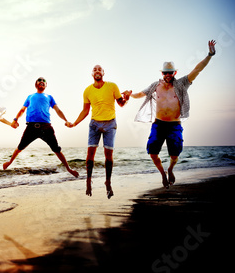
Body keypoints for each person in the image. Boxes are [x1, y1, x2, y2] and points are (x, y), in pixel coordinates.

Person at [130, 40, 216, 188]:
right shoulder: (155, 85)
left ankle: (170, 169)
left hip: (174, 125)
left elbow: (197, 70)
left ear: (174, 73)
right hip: (158, 124)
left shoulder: (182, 83)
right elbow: (140, 94)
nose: (168, 75)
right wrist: (130, 95)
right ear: (162, 73)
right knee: (152, 153)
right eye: (165, 73)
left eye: (170, 72)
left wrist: (209, 55)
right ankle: (163, 173)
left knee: (175, 155)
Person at [67, 65, 130, 199]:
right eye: (95, 69)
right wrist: (74, 123)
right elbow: (85, 111)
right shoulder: (87, 91)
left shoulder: (112, 86)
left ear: (103, 73)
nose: (97, 71)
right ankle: (88, 181)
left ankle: (108, 182)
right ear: (92, 74)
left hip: (110, 124)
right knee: (90, 155)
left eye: (99, 69)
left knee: (108, 155)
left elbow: (121, 103)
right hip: (94, 124)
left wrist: (127, 98)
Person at [3, 77, 79, 178]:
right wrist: (15, 119)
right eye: (40, 80)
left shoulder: (49, 97)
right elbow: (22, 110)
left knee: (56, 149)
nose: (42, 82)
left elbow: (58, 110)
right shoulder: (30, 96)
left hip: (46, 127)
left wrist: (66, 120)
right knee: (20, 147)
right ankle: (9, 162)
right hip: (31, 127)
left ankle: (69, 168)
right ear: (36, 84)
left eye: (44, 81)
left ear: (46, 85)